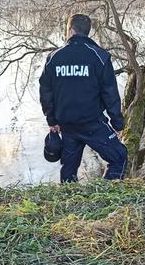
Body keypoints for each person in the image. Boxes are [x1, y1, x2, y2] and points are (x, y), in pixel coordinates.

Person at [39, 13, 127, 183]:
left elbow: (45, 92)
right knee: (119, 157)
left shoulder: (54, 58)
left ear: (70, 30)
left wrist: (52, 120)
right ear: (87, 32)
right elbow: (110, 93)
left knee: (69, 170)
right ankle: (105, 194)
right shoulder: (100, 57)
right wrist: (117, 124)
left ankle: (68, 201)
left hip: (67, 125)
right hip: (92, 124)